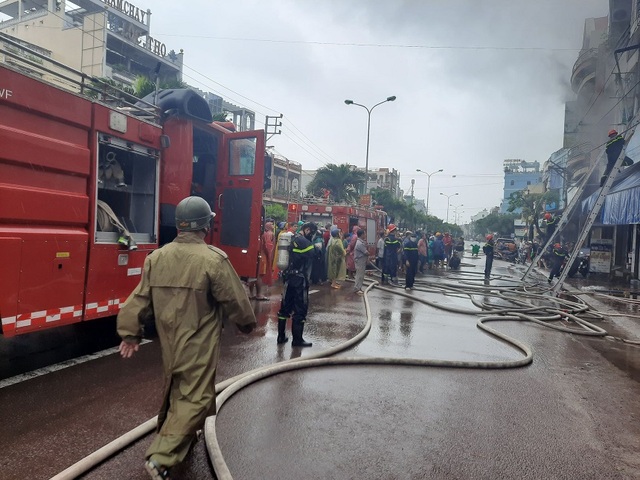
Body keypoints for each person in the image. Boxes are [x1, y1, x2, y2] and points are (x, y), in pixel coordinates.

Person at [116, 196, 256, 479]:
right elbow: (236, 300)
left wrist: (130, 333)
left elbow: (138, 299)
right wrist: (246, 325)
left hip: (169, 337)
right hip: (198, 337)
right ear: (206, 224)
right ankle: (161, 457)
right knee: (197, 395)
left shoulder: (157, 257)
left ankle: (183, 437)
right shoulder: (213, 260)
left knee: (178, 387)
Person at [276, 222, 318, 347]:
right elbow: (314, 254)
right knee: (300, 309)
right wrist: (318, 247)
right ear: (308, 230)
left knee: (284, 308)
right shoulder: (303, 241)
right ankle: (297, 340)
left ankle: (281, 337)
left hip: (288, 278)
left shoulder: (292, 239)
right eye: (312, 233)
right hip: (299, 280)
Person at [249, 221, 274, 300]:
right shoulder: (269, 234)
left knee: (253, 275)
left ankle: (250, 293)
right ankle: (259, 294)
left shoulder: (259, 233)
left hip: (254, 256)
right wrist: (269, 256)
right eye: (272, 224)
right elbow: (268, 246)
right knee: (259, 276)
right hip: (262, 257)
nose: (273, 226)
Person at [353, 229, 369, 294]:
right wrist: (368, 253)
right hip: (360, 261)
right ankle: (356, 288)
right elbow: (366, 252)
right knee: (359, 275)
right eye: (364, 234)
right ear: (362, 235)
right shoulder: (360, 243)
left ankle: (359, 287)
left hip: (361, 260)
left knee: (361, 275)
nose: (365, 235)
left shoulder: (361, 242)